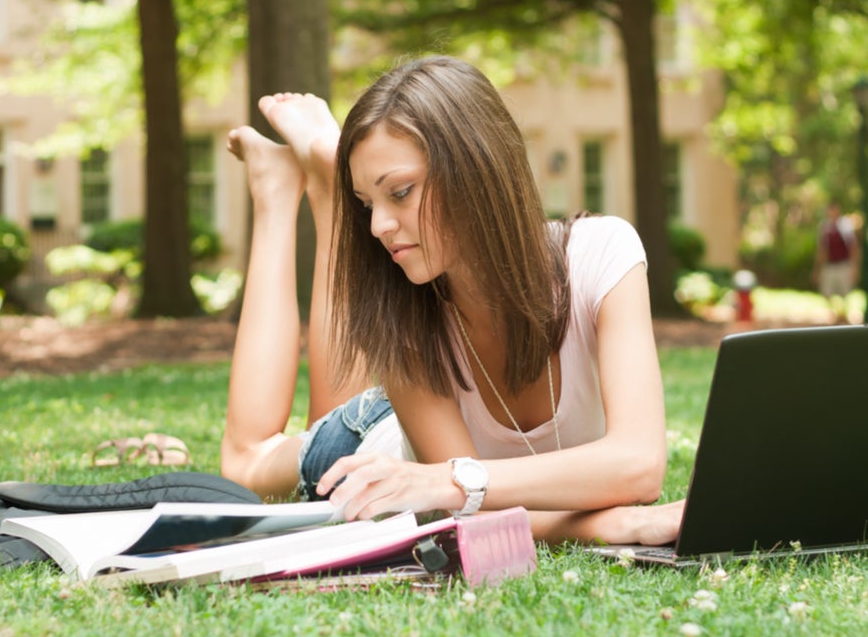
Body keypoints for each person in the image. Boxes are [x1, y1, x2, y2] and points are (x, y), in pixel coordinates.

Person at [222, 56, 683, 546]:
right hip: (374, 446)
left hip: (418, 453)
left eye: (400, 192)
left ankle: (327, 173)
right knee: (246, 459)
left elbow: (638, 465)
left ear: (476, 167)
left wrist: (447, 480)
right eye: (367, 204)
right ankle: (276, 186)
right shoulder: (401, 311)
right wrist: (612, 524)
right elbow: (465, 518)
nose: (378, 227)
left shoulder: (603, 253)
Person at [813, 202, 858, 324]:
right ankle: (834, 315)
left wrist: (854, 266)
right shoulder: (825, 227)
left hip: (843, 264)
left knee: (845, 292)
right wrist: (818, 268)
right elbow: (822, 249)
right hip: (830, 265)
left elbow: (853, 247)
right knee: (827, 292)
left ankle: (843, 314)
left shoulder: (845, 226)